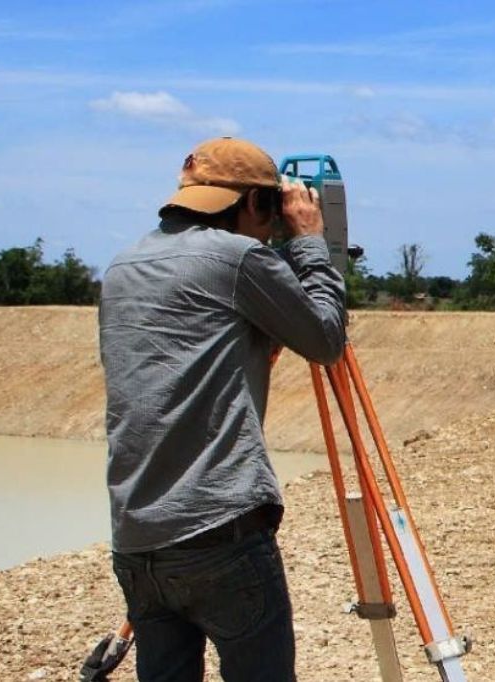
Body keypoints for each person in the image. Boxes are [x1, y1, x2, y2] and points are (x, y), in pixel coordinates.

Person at [98, 137, 346, 681]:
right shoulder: (238, 259)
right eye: (270, 209)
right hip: (220, 530)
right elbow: (325, 340)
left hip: (137, 540)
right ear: (256, 202)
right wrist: (310, 244)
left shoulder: (121, 267)